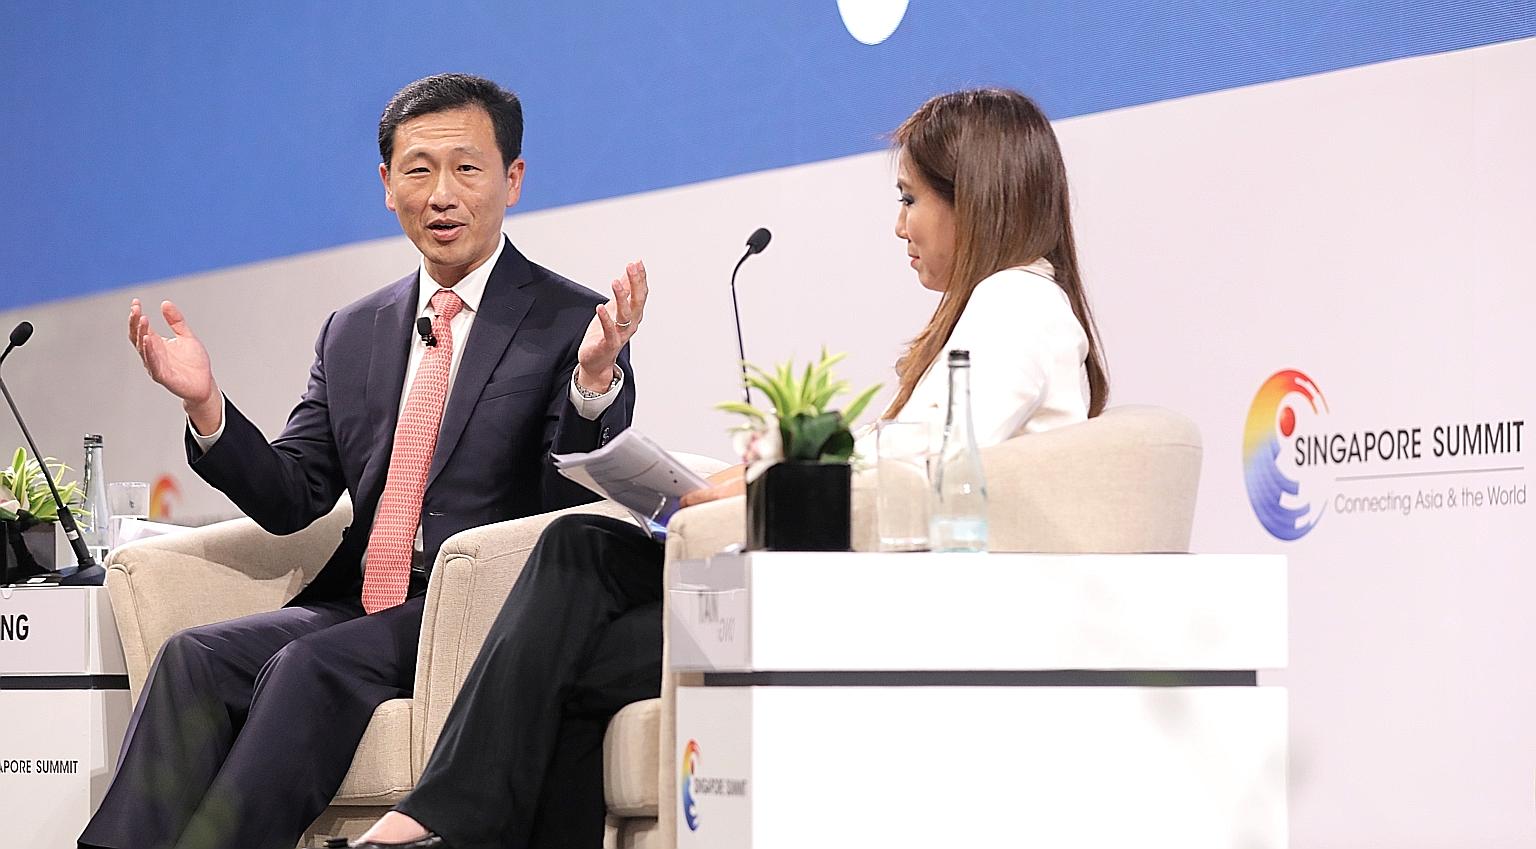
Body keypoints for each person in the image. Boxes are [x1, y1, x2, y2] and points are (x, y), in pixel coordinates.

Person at [350, 87, 1108, 849]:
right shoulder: (1002, 303)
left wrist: (761, 480)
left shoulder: (1017, 301)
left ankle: (439, 817)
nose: (900, 224)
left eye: (913, 199)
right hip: (845, 587)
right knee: (578, 553)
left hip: (884, 609)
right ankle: (442, 816)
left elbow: (921, 461)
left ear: (973, 198)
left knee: (570, 616)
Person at [78, 73, 647, 849]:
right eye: (418, 169)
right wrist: (208, 407)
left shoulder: (570, 319)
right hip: (360, 598)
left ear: (513, 179)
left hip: (478, 605)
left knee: (305, 666)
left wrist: (592, 382)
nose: (442, 193)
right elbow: (294, 495)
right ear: (387, 185)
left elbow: (572, 486)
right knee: (193, 656)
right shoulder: (355, 329)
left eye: (467, 168)